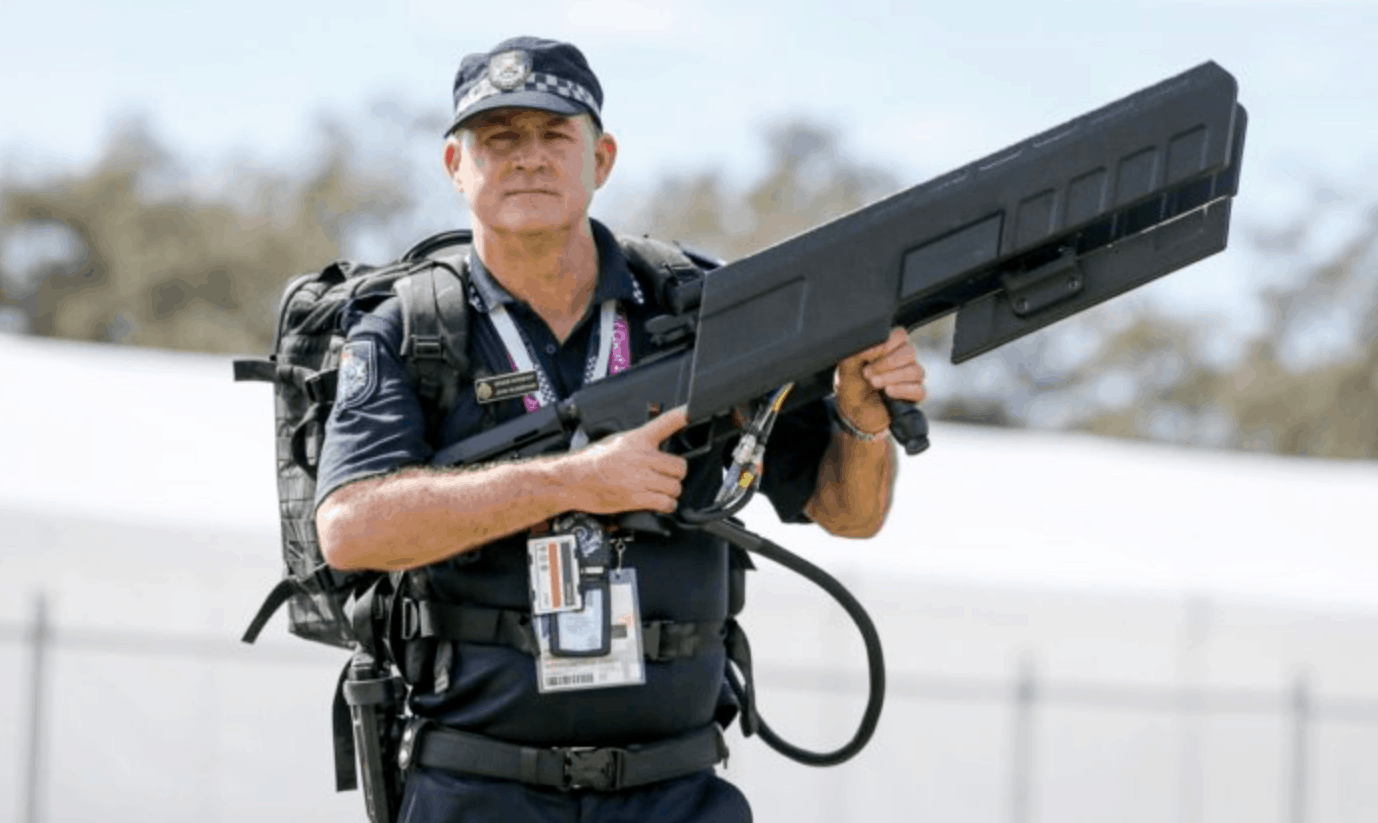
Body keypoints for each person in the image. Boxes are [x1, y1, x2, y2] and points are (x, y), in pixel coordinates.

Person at [313, 35, 927, 823]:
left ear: (600, 159)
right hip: (476, 789)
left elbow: (850, 513)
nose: (528, 158)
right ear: (455, 166)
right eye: (500, 138)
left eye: (553, 135)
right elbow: (349, 529)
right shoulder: (412, 331)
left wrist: (861, 420)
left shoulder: (699, 311)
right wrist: (573, 481)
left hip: (677, 790)